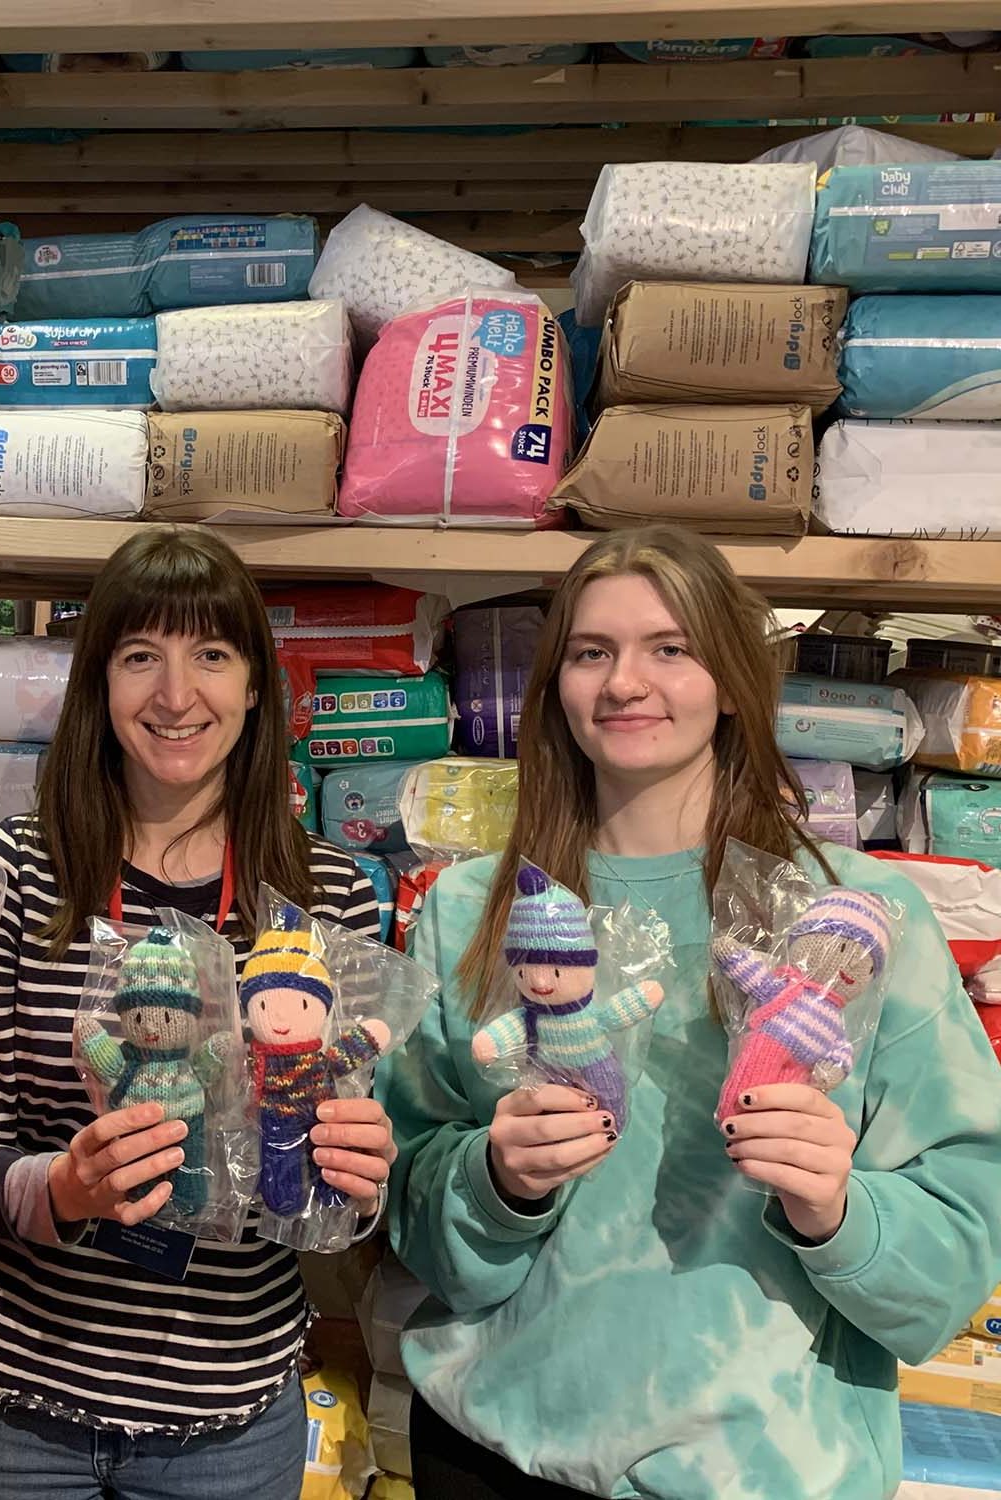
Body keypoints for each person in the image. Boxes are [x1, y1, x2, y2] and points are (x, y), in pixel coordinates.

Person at [379, 525, 1001, 1500]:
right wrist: (495, 1181)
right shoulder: (470, 910)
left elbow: (963, 1242)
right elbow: (408, 1204)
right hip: (492, 1453)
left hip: (761, 1472)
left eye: (670, 648)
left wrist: (837, 1209)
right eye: (592, 652)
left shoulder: (858, 920)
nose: (627, 682)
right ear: (555, 687)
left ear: (731, 679)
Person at [0, 527, 394, 1500]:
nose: (175, 696)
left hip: (225, 1420)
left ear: (257, 686)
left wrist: (352, 1180)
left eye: (210, 656)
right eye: (141, 656)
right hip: (11, 1405)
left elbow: (332, 1209)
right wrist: (64, 1191)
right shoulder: (12, 870)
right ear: (99, 683)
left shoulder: (329, 898)